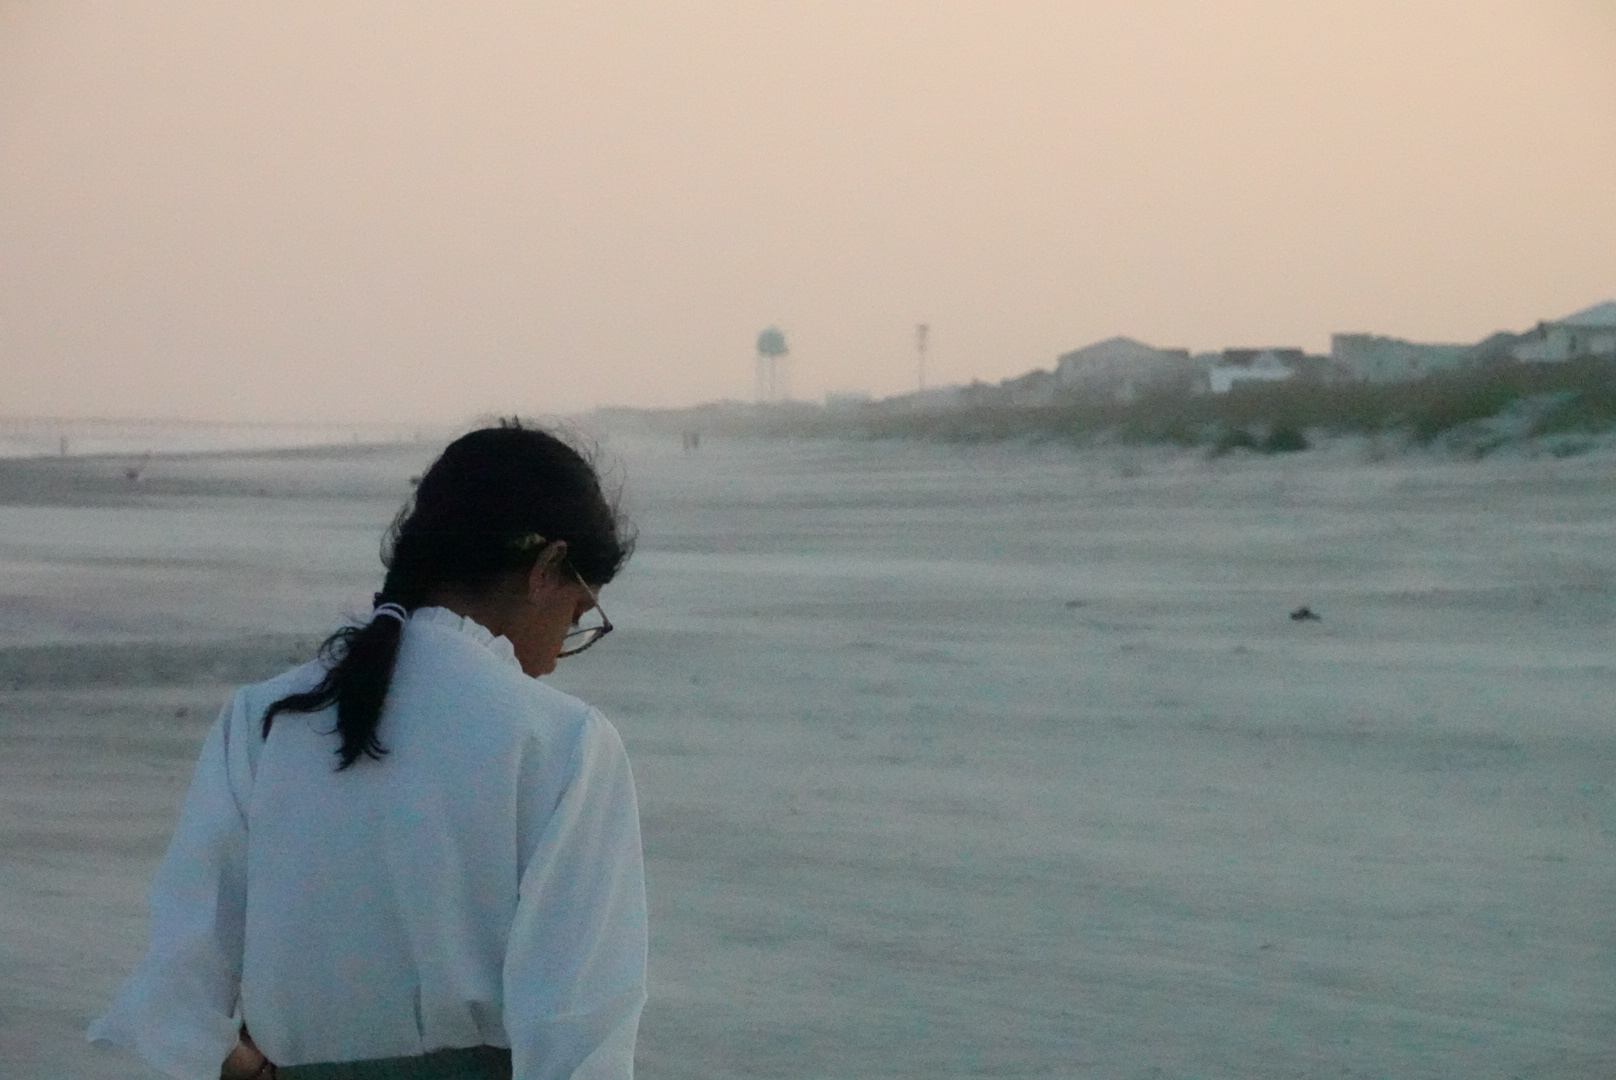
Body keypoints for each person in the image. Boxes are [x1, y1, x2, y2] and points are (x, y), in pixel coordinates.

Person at [90, 424, 646, 1080]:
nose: (556, 654)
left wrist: (236, 1062)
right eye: (577, 614)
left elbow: (175, 982)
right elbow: (578, 1037)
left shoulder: (265, 721)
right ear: (546, 568)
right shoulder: (565, 744)